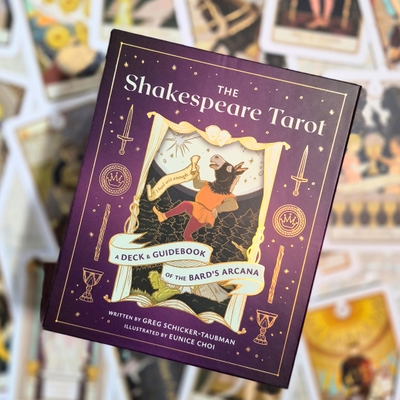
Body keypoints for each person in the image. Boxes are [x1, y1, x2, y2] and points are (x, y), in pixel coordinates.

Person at [153, 154, 247, 241]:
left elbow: (234, 205)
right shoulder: (209, 184)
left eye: (227, 169)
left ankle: (192, 250)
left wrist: (218, 208)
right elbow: (197, 184)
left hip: (204, 215)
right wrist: (195, 174)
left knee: (186, 234)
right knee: (185, 205)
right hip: (197, 207)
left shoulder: (226, 195)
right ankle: (163, 216)